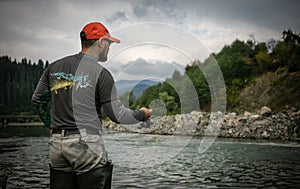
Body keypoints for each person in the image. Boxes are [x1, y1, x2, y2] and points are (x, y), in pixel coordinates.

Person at [32, 22, 152, 189]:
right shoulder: (101, 73)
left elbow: (37, 100)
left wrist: (51, 125)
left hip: (57, 146)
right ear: (101, 42)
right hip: (86, 145)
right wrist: (141, 114)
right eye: (109, 43)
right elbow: (117, 115)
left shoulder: (54, 67)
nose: (109, 47)